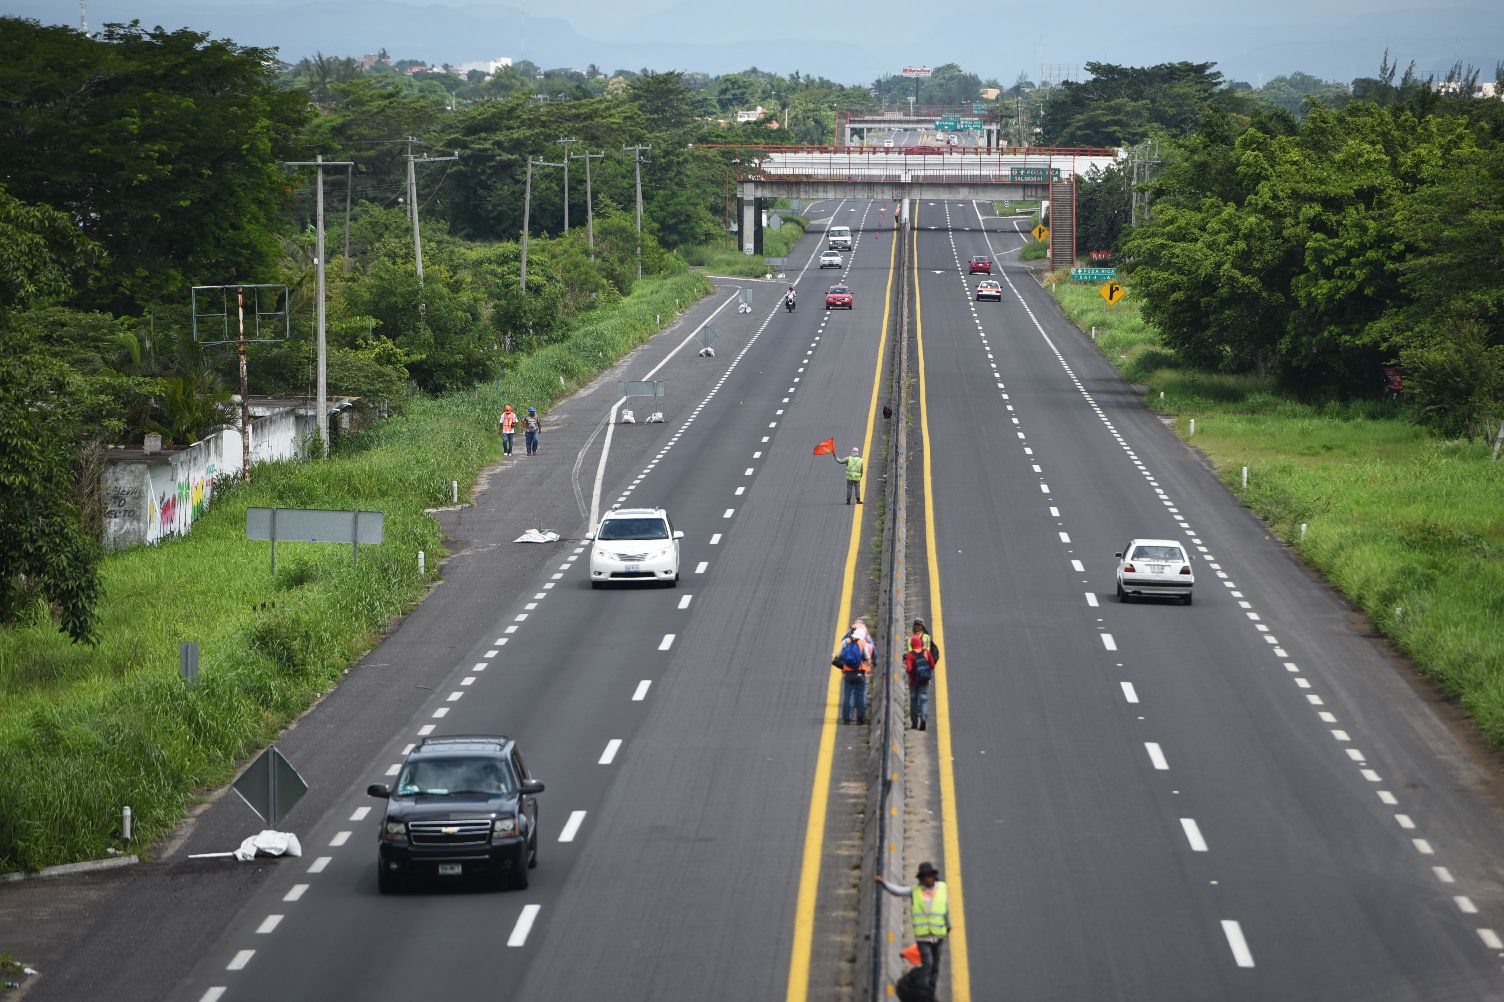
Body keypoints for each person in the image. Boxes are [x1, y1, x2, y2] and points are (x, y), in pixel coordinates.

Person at [875, 862, 951, 1002]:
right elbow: (898, 891)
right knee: (927, 964)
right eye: (924, 877)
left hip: (938, 935)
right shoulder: (915, 891)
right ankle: (912, 981)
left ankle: (929, 994)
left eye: (929, 876)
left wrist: (948, 925)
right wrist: (883, 883)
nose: (927, 879)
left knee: (935, 967)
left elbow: (944, 908)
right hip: (924, 937)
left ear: (933, 877)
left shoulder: (941, 889)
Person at [903, 620, 940, 731]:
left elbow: (909, 669)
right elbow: (932, 664)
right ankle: (923, 718)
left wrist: (910, 672)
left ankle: (914, 723)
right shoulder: (926, 652)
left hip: (913, 681)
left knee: (913, 700)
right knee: (923, 698)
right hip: (924, 679)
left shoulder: (910, 654)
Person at [837, 619, 875, 725]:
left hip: (848, 673)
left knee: (847, 695)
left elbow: (839, 656)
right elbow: (868, 658)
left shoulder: (845, 642)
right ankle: (860, 718)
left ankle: (847, 717)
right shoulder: (863, 643)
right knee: (860, 695)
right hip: (860, 673)